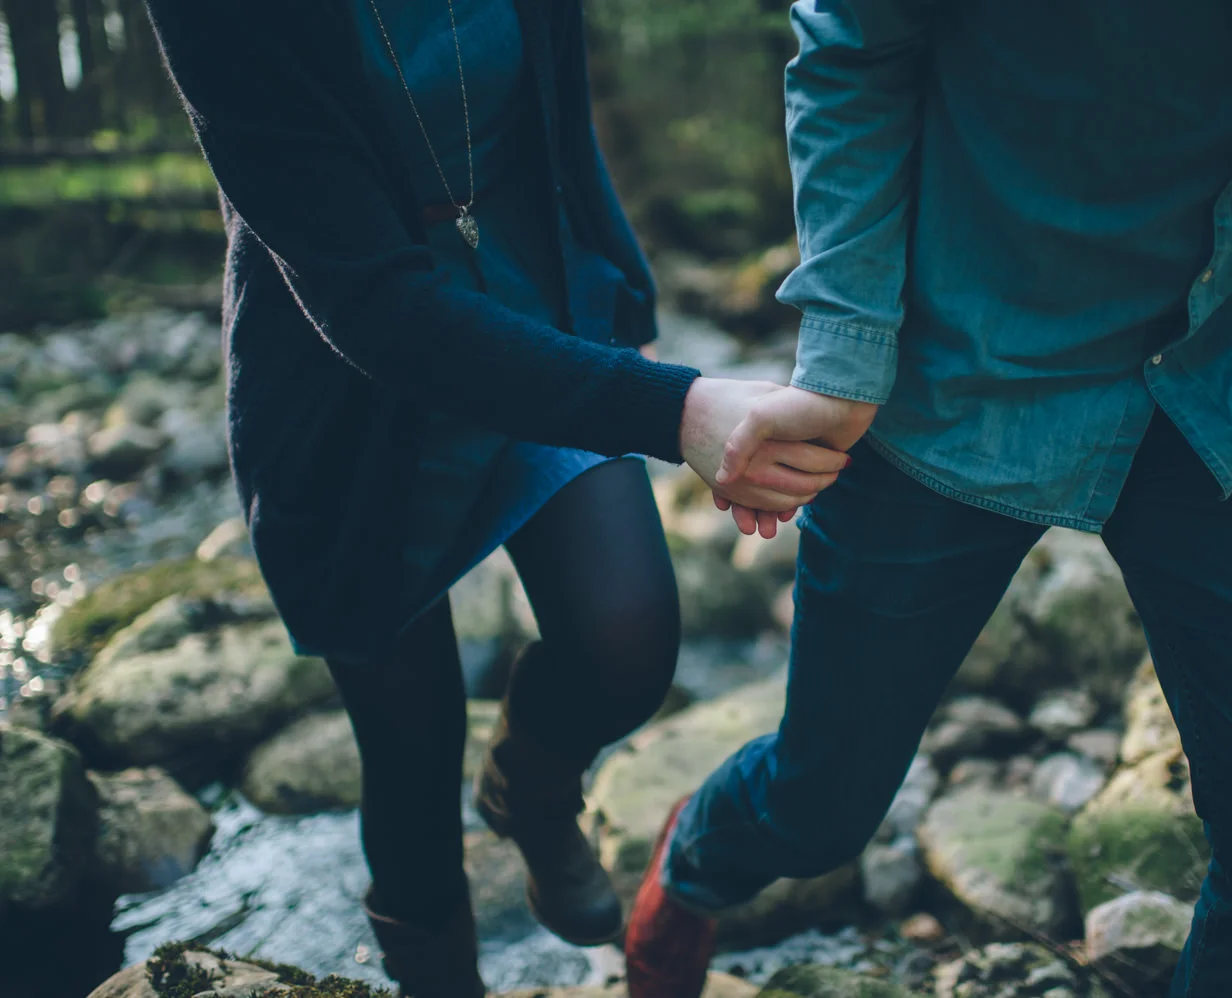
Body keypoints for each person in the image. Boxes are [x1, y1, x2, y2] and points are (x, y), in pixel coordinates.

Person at [624, 3, 1232, 997]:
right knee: (821, 804)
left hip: (1218, 378)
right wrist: (845, 349)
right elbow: (852, 54)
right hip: (955, 379)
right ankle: (694, 854)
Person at [141, 1, 848, 995]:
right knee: (409, 755)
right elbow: (370, 305)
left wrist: (627, 304)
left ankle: (533, 788)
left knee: (627, 640)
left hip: (540, 297)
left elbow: (558, 123)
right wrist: (676, 406)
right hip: (346, 374)